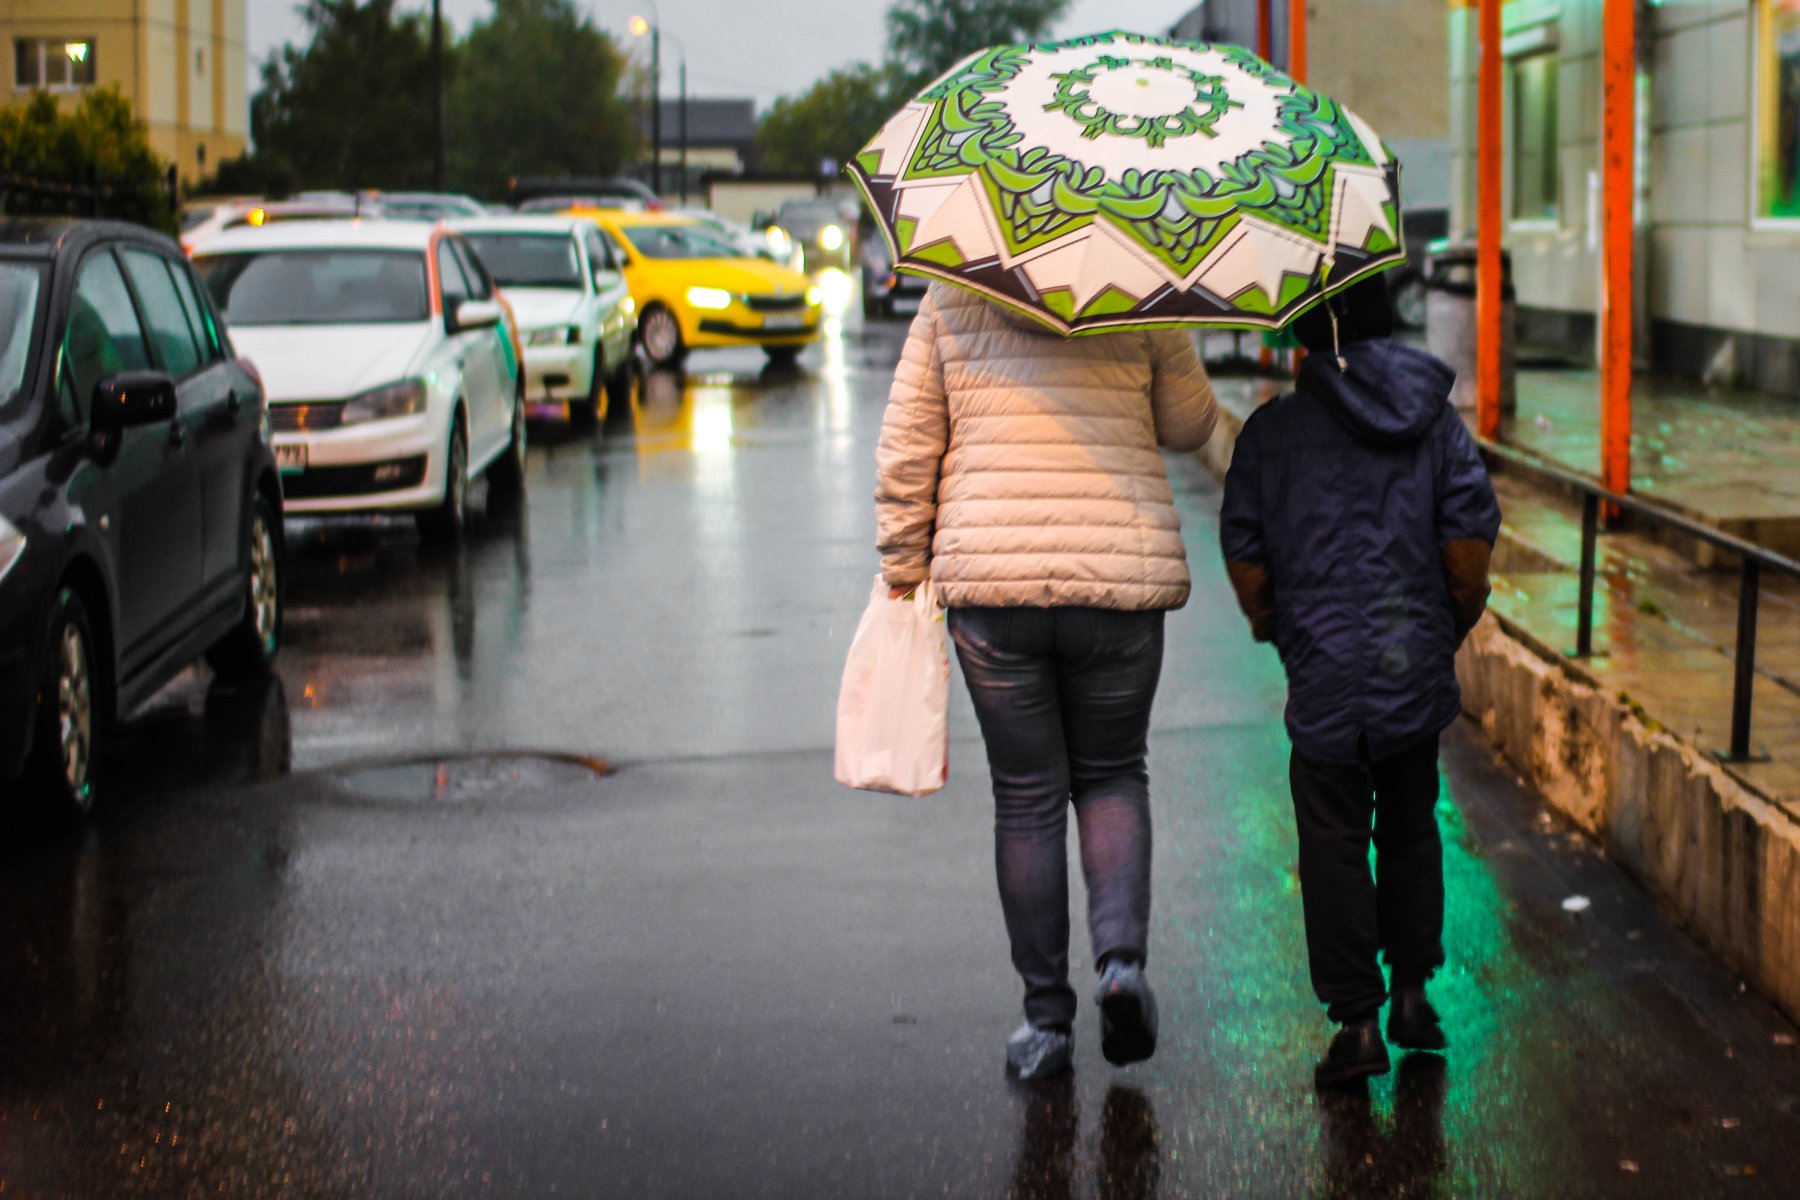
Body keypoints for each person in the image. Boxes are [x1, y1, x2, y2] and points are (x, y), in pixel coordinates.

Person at [875, 282, 1217, 1081]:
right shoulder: (1141, 284)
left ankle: (1046, 1024)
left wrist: (904, 565)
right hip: (1118, 584)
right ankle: (1122, 967)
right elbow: (1191, 424)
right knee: (1111, 777)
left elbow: (908, 441)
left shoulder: (953, 291)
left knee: (1027, 795)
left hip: (995, 591)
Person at [1219, 272, 1502, 1088]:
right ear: (1387, 322)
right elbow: (1469, 543)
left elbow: (1245, 552)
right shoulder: (1436, 425)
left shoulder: (1271, 434)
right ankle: (1414, 995)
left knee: (1334, 841)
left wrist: (1282, 628)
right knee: (1411, 826)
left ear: (1304, 336)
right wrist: (1445, 626)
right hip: (1410, 667)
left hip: (1322, 677)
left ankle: (1356, 1026)